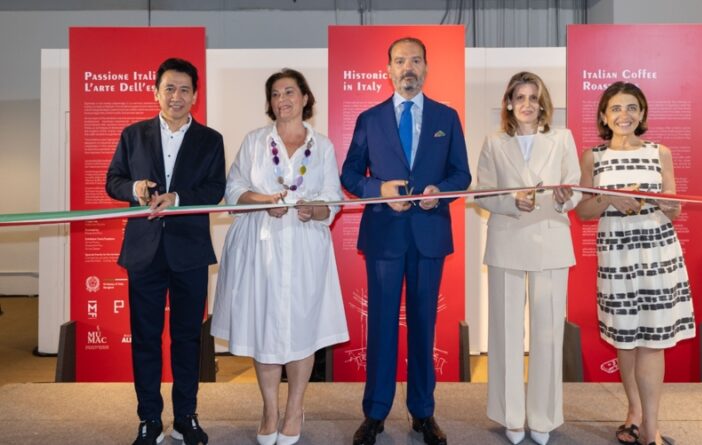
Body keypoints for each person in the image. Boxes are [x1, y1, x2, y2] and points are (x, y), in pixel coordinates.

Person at [341, 36, 471, 445]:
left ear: (426, 68)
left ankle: (423, 413)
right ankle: (375, 413)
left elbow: (461, 174)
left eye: (415, 60)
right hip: (384, 236)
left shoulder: (446, 117)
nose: (408, 68)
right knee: (380, 326)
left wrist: (440, 193)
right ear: (389, 70)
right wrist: (377, 190)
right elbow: (349, 174)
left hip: (429, 236)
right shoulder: (370, 118)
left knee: (423, 326)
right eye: (400, 61)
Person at [210, 68, 349, 445]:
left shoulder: (322, 146)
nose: (282, 99)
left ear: (305, 98)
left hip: (305, 248)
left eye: (289, 92)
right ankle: (270, 409)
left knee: (302, 328)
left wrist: (314, 210)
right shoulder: (255, 141)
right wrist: (261, 201)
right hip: (260, 248)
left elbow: (333, 199)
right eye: (275, 94)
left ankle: (294, 409)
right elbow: (234, 189)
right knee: (265, 328)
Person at [106, 57, 226, 445]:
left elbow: (215, 189)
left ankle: (185, 417)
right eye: (169, 88)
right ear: (156, 92)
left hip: (190, 251)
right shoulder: (133, 135)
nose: (177, 96)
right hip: (144, 251)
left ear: (195, 95)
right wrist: (135, 189)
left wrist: (178, 198)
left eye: (184, 89)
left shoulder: (210, 140)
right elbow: (113, 180)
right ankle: (149, 418)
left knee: (188, 338)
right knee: (145, 338)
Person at [575, 81, 696, 445]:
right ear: (603, 116)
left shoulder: (661, 152)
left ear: (642, 113)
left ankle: (650, 429)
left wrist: (669, 204)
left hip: (657, 253)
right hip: (617, 256)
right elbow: (583, 211)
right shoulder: (593, 157)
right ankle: (634, 413)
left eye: (631, 107)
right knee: (625, 339)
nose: (623, 115)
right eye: (616, 108)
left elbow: (674, 209)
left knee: (653, 341)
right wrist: (610, 198)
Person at [475, 71, 581, 445]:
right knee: (505, 334)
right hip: (506, 242)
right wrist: (510, 201)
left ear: (543, 103)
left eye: (533, 98)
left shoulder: (562, 138)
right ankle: (511, 416)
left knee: (548, 334)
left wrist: (565, 197)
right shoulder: (494, 142)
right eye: (520, 97)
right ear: (509, 103)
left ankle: (543, 417)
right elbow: (482, 194)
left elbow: (575, 188)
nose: (527, 104)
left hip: (551, 242)